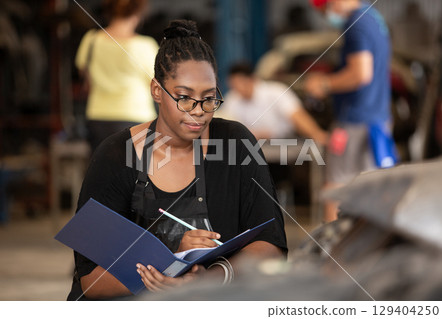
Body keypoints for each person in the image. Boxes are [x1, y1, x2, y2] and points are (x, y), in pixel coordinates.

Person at [67, 20, 287, 300]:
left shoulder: (236, 144)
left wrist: (212, 277)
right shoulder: (117, 155)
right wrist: (170, 256)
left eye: (209, 98)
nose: (198, 111)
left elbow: (271, 244)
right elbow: (92, 280)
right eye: (184, 98)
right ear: (157, 90)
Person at [305, 0, 392, 222]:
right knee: (372, 187)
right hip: (377, 119)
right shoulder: (373, 17)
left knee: (336, 188)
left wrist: (324, 84)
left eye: (324, 8)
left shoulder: (356, 22)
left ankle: (330, 252)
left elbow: (361, 73)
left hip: (353, 121)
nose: (326, 14)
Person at [75, 0, 159, 151]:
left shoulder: (91, 40)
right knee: (138, 172)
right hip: (137, 117)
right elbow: (157, 86)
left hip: (98, 116)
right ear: (138, 14)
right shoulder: (146, 46)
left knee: (103, 172)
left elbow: (85, 75)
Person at [219, 62, 328, 144]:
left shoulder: (276, 91)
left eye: (240, 83)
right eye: (233, 84)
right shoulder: (232, 98)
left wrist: (317, 134)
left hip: (285, 143)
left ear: (251, 79)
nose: (238, 88)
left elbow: (297, 115)